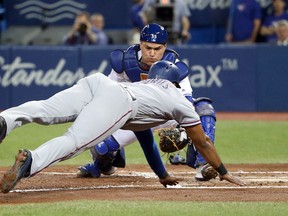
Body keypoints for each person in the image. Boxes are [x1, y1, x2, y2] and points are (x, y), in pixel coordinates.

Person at [0, 60, 244, 194]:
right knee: (75, 141)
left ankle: (7, 120)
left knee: (45, 110)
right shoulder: (178, 99)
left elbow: (146, 139)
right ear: (176, 82)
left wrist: (162, 175)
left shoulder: (146, 86)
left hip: (98, 84)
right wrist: (222, 170)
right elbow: (203, 141)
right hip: (120, 102)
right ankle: (31, 160)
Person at [77, 23, 217, 182]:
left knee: (204, 109)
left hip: (165, 115)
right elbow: (108, 95)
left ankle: (204, 164)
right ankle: (101, 165)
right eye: (147, 47)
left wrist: (182, 130)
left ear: (165, 47)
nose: (151, 53)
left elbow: (187, 102)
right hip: (135, 116)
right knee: (102, 148)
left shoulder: (175, 66)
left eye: (157, 49)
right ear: (140, 44)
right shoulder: (124, 62)